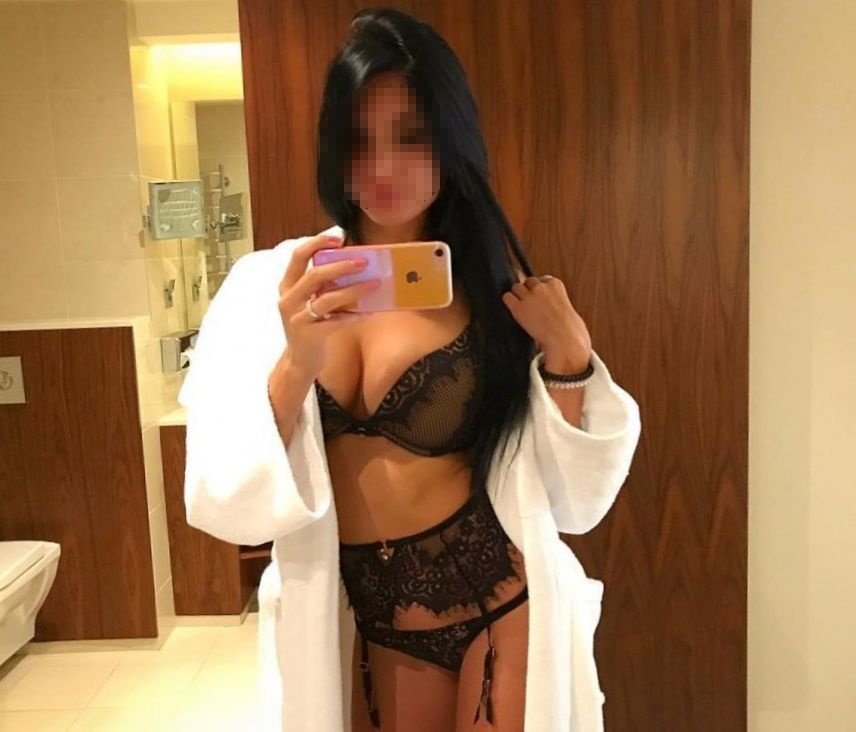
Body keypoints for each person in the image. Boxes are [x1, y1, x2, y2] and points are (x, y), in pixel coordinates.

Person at [178, 7, 642, 732]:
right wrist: (297, 360)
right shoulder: (269, 288)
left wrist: (571, 361)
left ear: (450, 140)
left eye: (411, 137)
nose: (384, 167)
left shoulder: (491, 293)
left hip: (497, 598)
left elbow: (572, 498)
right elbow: (224, 499)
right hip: (364, 615)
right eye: (360, 140)